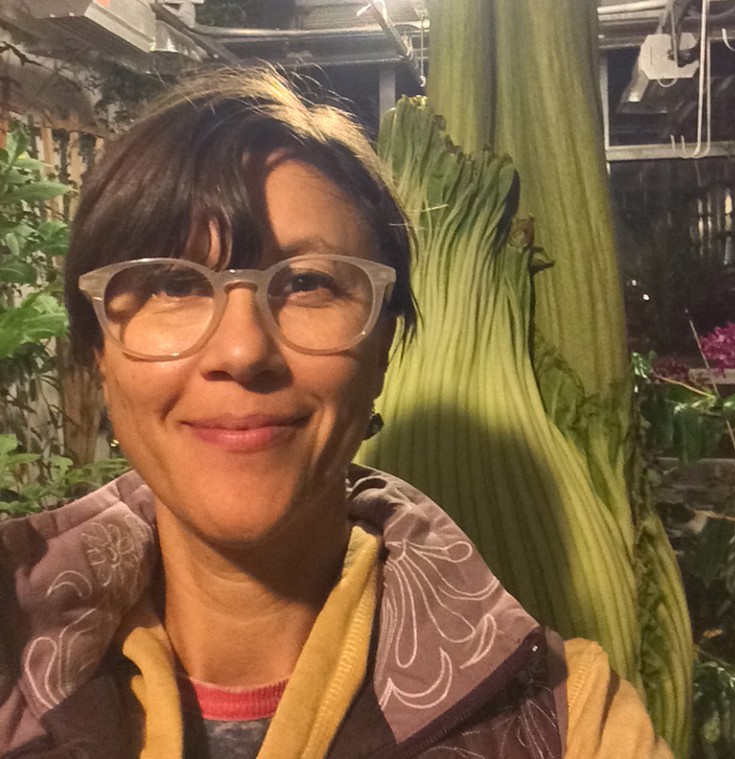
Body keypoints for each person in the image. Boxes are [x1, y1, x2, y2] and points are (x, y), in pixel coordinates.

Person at [0, 68, 673, 759]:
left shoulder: (570, 723)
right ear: (97, 353)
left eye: (307, 283)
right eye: (174, 283)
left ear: (383, 348)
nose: (243, 348)